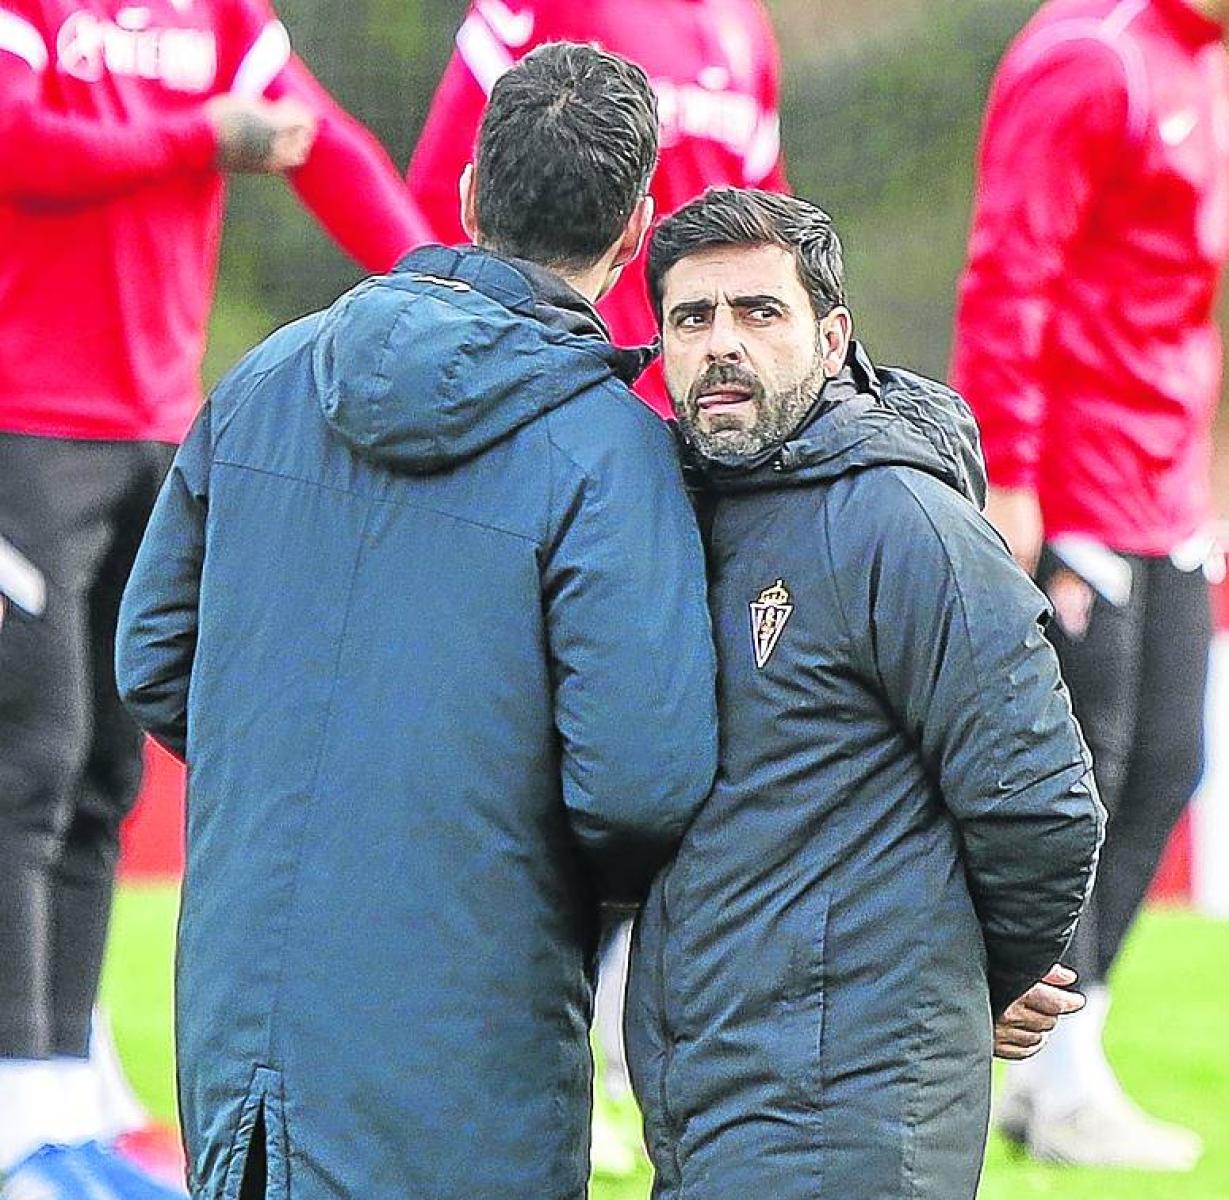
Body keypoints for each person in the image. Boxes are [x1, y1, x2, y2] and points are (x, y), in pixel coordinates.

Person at [115, 42, 717, 1200]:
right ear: (640, 230)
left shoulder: (266, 378)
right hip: (468, 1042)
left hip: (243, 1035)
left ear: (468, 194)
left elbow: (156, 659)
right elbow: (639, 781)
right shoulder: (615, 452)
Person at [0, 0, 430, 1192]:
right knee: (24, 761)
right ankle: (15, 1106)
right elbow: (17, 138)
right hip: (22, 427)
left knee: (104, 772)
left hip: (152, 433)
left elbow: (323, 144)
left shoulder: (218, 12)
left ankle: (56, 1087)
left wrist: (455, 294)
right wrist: (201, 137)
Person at [624, 188, 1105, 1200]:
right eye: (692, 317)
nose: (722, 344)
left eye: (759, 312)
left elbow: (1041, 805)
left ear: (832, 334)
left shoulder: (902, 522)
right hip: (715, 1098)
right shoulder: (680, 515)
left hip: (848, 1115)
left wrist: (979, 981)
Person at [949, 0, 1229, 1169]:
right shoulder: (1088, 59)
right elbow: (1009, 273)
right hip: (1072, 479)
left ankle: (1069, 1068)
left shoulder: (1200, 58)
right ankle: (1018, 1069)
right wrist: (1010, 478)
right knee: (1079, 785)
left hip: (1163, 483)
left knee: (1171, 761)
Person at [408, 0, 789, 416]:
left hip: (703, 409)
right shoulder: (535, 7)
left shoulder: (743, 21)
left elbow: (767, 228)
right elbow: (443, 192)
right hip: (559, 391)